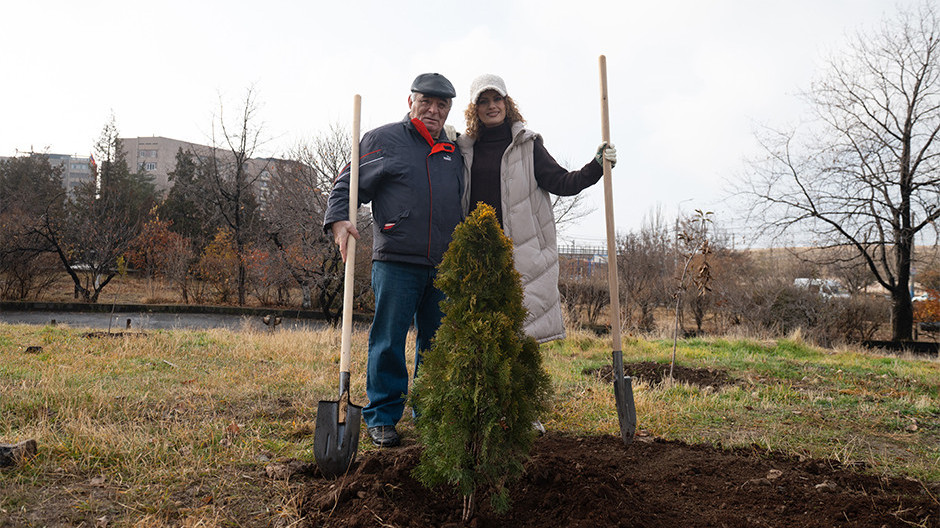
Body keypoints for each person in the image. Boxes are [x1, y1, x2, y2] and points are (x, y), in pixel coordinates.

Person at [323, 73, 464, 448]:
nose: (433, 111)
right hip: (397, 259)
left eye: (442, 105)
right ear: (410, 101)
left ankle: (431, 414)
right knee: (388, 339)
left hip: (444, 264)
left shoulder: (453, 151)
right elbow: (346, 184)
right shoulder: (384, 139)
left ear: (449, 108)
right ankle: (382, 416)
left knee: (437, 344)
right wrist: (339, 222)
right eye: (426, 102)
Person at [456, 73, 616, 344]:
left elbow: (563, 182)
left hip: (521, 254)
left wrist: (597, 166)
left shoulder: (528, 146)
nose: (491, 106)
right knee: (479, 339)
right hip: (478, 255)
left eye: (497, 99)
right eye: (483, 101)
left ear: (507, 104)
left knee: (517, 338)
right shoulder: (464, 149)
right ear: (474, 108)